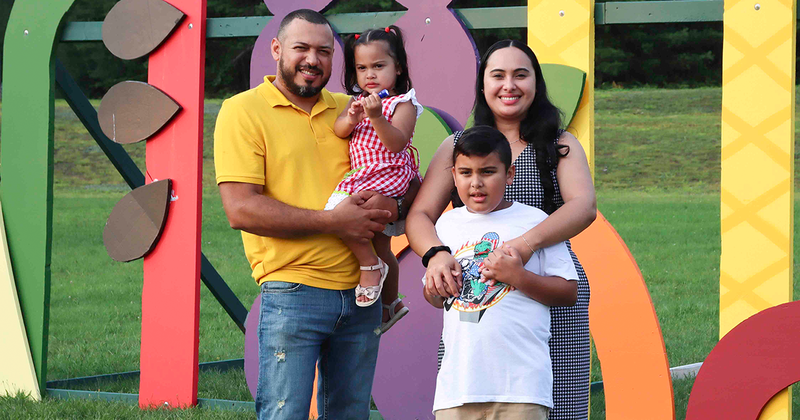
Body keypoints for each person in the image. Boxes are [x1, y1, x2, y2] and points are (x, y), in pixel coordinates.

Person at [213, 9, 414, 419]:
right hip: (293, 293)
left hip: (362, 299)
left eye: (324, 51)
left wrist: (394, 205)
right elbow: (240, 209)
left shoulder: (354, 109)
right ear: (276, 50)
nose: (312, 59)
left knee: (349, 414)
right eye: (301, 48)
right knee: (284, 414)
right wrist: (333, 222)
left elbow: (403, 174)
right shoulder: (242, 111)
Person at [406, 40, 596, 419]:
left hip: (548, 286)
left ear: (536, 85)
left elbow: (584, 207)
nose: (509, 85)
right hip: (479, 303)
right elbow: (419, 216)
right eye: (498, 75)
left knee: (554, 404)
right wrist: (436, 254)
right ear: (482, 86)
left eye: (520, 75)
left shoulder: (559, 145)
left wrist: (524, 247)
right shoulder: (458, 146)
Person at [425, 125, 578, 419]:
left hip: (521, 389)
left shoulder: (536, 221)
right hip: (457, 388)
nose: (476, 183)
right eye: (466, 172)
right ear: (453, 175)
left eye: (488, 172)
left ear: (510, 174)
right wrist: (435, 287)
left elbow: (567, 292)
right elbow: (434, 298)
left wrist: (517, 277)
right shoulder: (444, 226)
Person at [328, 25, 421, 328]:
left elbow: (396, 143)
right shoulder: (357, 102)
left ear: (399, 67)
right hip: (364, 176)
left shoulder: (402, 103)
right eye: (362, 68)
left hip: (387, 175)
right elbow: (339, 130)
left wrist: (377, 116)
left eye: (379, 66)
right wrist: (352, 117)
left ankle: (369, 267)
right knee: (382, 245)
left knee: (337, 213)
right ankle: (390, 304)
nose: (370, 75)